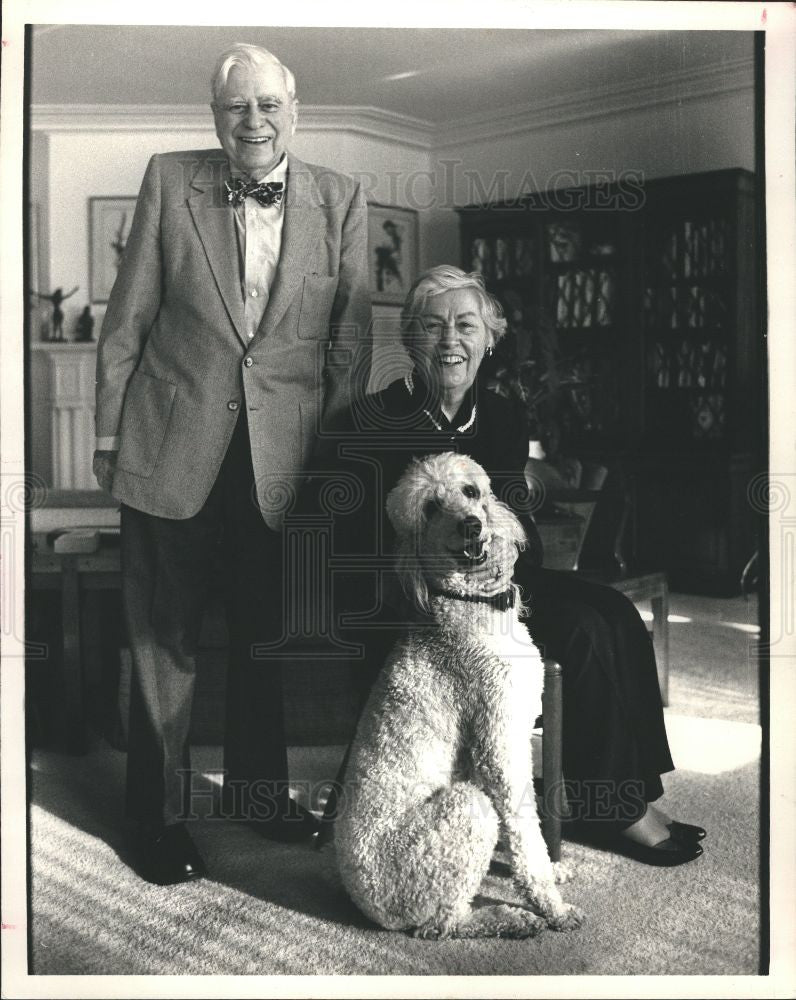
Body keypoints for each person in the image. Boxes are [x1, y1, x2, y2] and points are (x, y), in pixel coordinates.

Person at [93, 43, 371, 885]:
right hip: (168, 445)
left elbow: (347, 346)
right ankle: (155, 819)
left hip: (282, 463)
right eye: (236, 107)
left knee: (263, 638)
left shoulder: (341, 198)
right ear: (215, 117)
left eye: (268, 105)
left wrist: (334, 462)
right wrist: (107, 437)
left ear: (295, 111)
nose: (254, 121)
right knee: (161, 642)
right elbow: (127, 318)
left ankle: (257, 794)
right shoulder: (169, 179)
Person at [319, 265, 704, 867]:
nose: (450, 340)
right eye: (433, 326)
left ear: (489, 339)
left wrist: (511, 565)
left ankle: (625, 791)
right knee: (579, 630)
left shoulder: (501, 417)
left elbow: (512, 519)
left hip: (499, 585)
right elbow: (354, 549)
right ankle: (616, 809)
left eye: (465, 325)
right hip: (423, 606)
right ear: (411, 339)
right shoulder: (371, 421)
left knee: (614, 611)